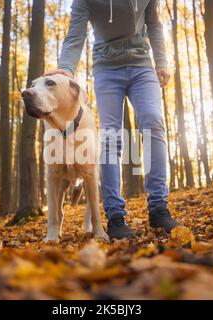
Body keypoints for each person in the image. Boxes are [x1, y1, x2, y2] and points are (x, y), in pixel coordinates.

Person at [46, 0, 181, 239]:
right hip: (107, 69)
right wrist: (65, 68)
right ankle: (115, 215)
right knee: (110, 136)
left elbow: (154, 23)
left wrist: (161, 61)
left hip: (141, 64)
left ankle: (159, 207)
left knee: (153, 122)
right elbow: (75, 33)